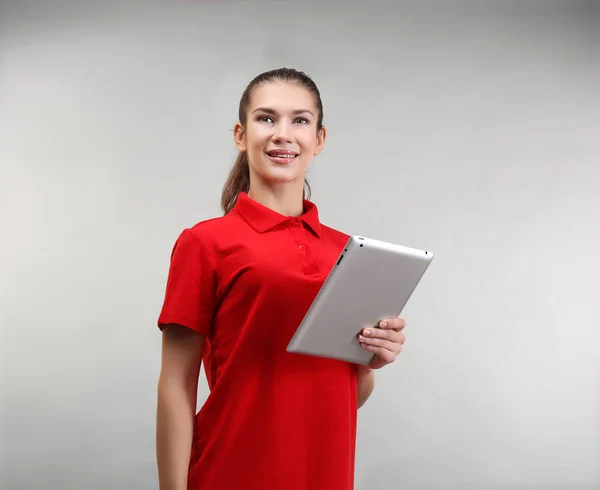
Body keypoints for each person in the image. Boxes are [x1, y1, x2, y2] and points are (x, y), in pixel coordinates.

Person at [155, 67, 407, 490]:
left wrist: (370, 359)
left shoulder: (348, 253)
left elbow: (348, 395)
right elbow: (175, 386)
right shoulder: (204, 243)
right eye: (266, 118)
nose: (282, 134)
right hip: (230, 472)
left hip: (323, 473)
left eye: (300, 120)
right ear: (241, 134)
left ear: (319, 139)